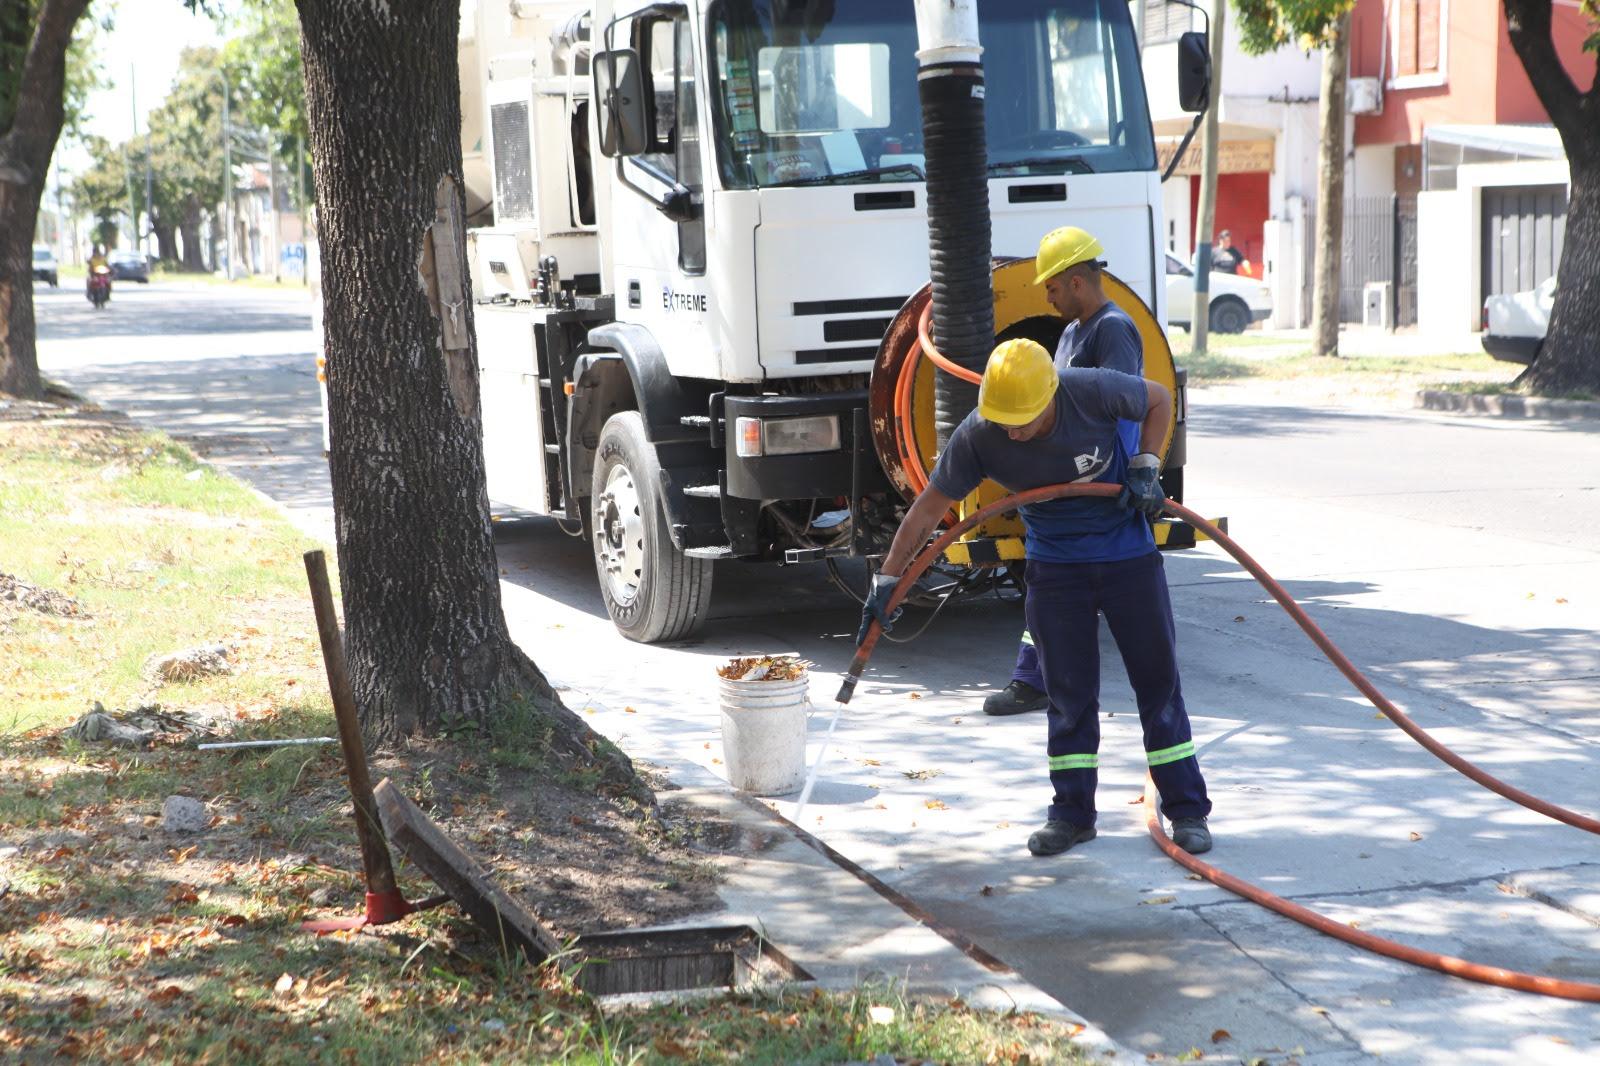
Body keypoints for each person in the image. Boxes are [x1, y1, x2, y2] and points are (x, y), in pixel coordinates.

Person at [857, 337, 1214, 856]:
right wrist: (887, 579)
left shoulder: (1089, 389)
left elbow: (1159, 398)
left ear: (1053, 393)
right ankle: (1071, 815)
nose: (1014, 431)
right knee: (1068, 698)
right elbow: (929, 509)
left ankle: (1186, 810)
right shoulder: (981, 432)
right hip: (1055, 570)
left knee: (1158, 687)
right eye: (1006, 420)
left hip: (1127, 560)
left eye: (1024, 418)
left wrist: (1144, 463)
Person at [985, 226, 1143, 717]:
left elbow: (1124, 409)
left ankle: (1036, 680)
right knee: (1050, 582)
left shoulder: (1112, 329)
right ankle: (1039, 677)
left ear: (1077, 281)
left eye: (1052, 288)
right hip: (1066, 482)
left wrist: (1125, 474)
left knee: (1060, 583)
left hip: (1096, 483)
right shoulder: (1075, 333)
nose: (1049, 299)